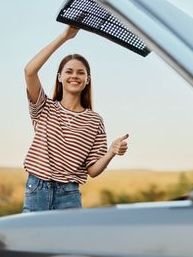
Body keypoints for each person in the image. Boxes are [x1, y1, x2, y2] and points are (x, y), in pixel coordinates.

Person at [22, 26, 128, 212]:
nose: (74, 76)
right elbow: (30, 71)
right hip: (37, 190)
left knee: (67, 243)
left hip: (69, 195)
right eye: (69, 71)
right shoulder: (44, 107)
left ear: (87, 80)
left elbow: (93, 170)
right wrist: (65, 36)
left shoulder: (94, 121)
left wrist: (111, 151)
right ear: (60, 77)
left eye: (81, 73)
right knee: (33, 242)